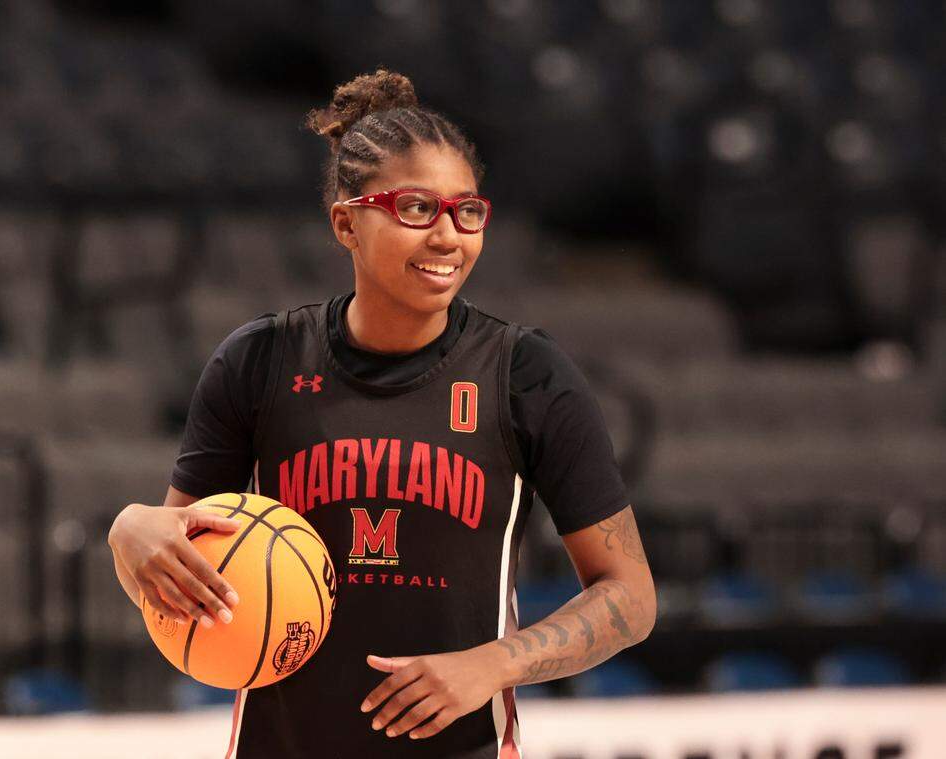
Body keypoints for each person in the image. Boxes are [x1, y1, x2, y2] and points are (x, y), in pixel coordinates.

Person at [108, 68, 656, 759]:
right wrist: (130, 531)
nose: (450, 236)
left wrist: (493, 663)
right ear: (347, 222)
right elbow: (177, 577)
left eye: (468, 210)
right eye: (417, 209)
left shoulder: (527, 374)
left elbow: (631, 597)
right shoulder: (259, 360)